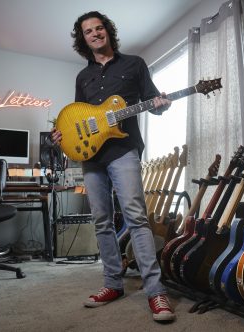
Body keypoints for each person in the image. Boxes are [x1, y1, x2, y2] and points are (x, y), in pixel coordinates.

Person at [51, 11, 175, 322]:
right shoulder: (83, 77)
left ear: (107, 31)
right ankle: (112, 285)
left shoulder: (134, 64)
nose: (95, 33)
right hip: (91, 158)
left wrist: (161, 105)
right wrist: (62, 135)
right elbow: (76, 116)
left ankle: (156, 292)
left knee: (136, 218)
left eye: (99, 28)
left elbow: (151, 100)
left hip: (123, 150)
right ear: (84, 39)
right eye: (88, 31)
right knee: (102, 221)